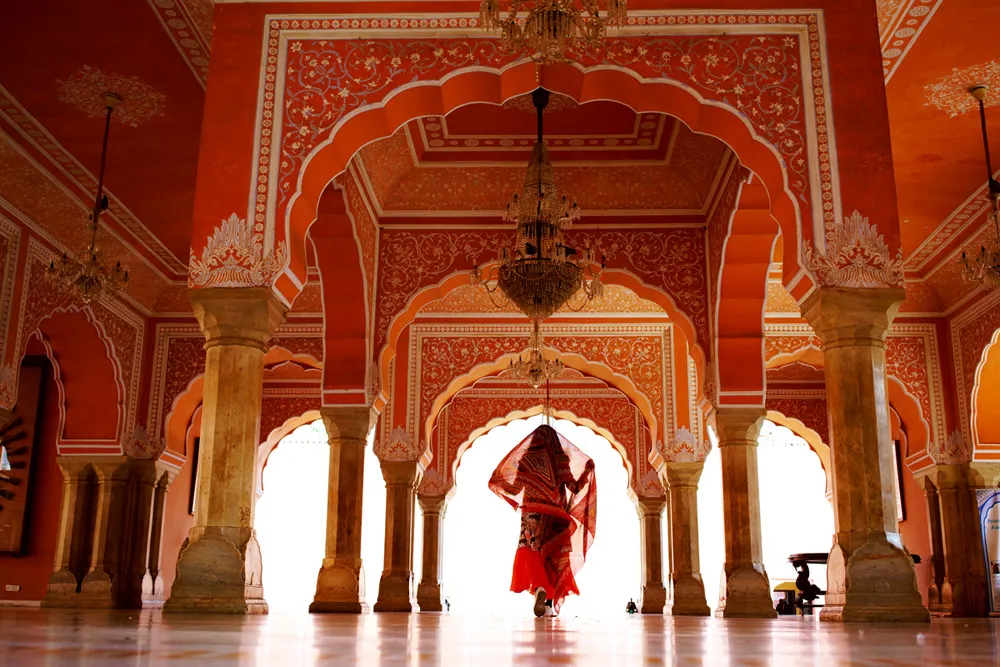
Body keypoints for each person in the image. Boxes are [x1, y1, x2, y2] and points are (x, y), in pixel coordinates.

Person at [489, 424, 597, 618]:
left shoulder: (526, 461)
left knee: (532, 552)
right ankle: (548, 604)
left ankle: (539, 587)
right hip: (555, 515)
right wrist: (587, 473)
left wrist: (498, 482)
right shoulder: (560, 460)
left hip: (531, 515)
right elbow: (573, 487)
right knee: (552, 556)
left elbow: (514, 491)